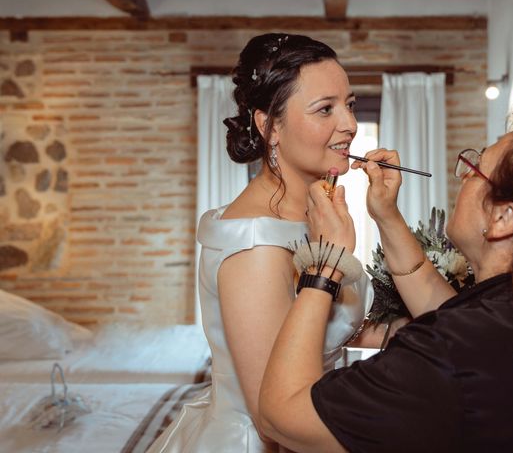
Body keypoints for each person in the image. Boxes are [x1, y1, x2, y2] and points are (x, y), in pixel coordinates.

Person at [259, 90, 513, 452]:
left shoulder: (455, 350)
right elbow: (448, 311)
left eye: (475, 167)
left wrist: (327, 261)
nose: (462, 175)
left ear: (504, 216)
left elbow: (281, 416)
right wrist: (386, 216)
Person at [147, 33, 373, 452]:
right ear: (269, 126)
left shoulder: (311, 213)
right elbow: (276, 423)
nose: (351, 124)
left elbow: (321, 325)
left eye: (350, 104)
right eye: (326, 108)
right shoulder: (256, 246)